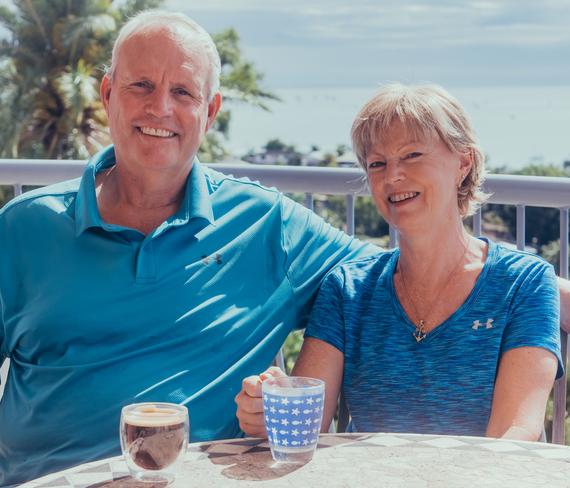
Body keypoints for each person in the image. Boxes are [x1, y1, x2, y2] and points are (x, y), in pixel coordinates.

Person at [0, 11, 379, 487]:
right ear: (107, 94)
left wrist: (295, 393)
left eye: (183, 92)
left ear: (210, 110)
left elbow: (387, 282)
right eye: (141, 85)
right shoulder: (22, 228)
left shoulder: (268, 224)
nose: (160, 108)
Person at [236, 84, 563, 441]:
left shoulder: (524, 283)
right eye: (377, 163)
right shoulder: (347, 289)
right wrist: (269, 408)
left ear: (463, 163)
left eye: (412, 155)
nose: (392, 176)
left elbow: (515, 433)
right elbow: (309, 420)